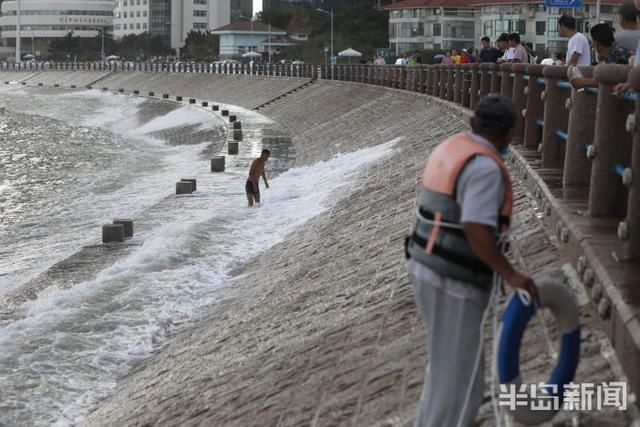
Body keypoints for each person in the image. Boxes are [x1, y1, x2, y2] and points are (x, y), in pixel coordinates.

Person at [405, 94, 536, 427]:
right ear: (507, 133)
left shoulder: (452, 148)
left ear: (473, 124)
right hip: (453, 281)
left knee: (443, 369)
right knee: (460, 382)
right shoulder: (484, 168)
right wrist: (510, 275)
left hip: (425, 266)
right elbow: (475, 228)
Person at [571, 23, 631, 88]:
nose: (592, 46)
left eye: (593, 41)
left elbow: (611, 79)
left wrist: (585, 82)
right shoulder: (615, 52)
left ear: (597, 43)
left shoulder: (617, 55)